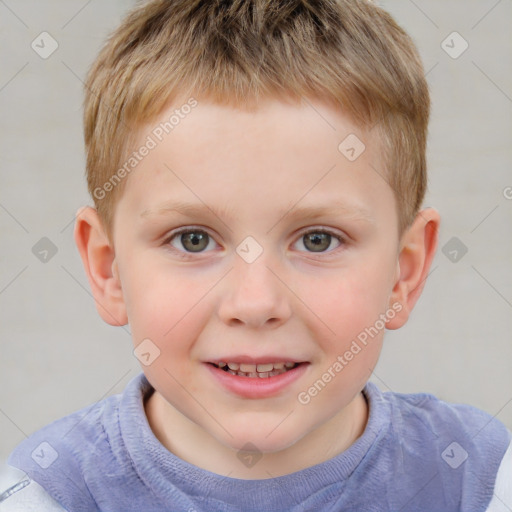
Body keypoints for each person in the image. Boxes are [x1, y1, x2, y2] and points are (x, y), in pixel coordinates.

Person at [1, 0, 510, 510]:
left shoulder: (482, 482)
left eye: (318, 240)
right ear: (108, 269)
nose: (255, 302)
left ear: (405, 271)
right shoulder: (47, 495)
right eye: (193, 239)